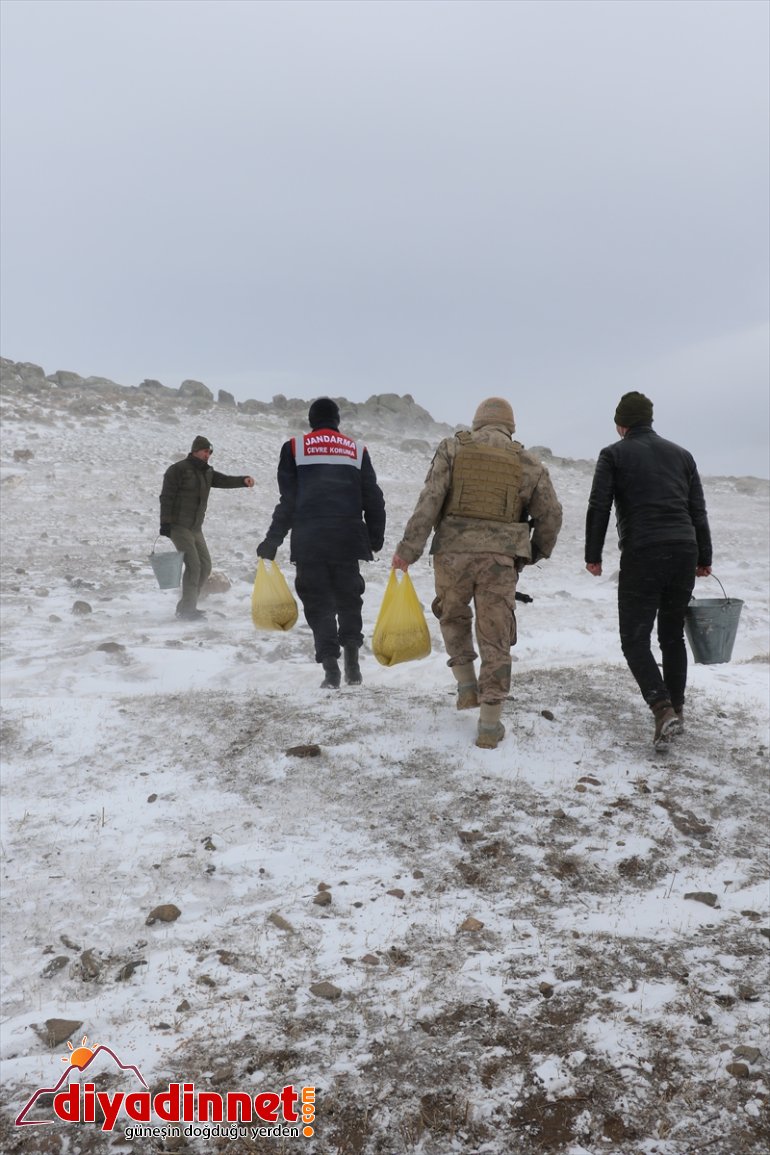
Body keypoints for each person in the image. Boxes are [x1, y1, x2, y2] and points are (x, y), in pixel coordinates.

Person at [392, 397, 562, 749]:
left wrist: (407, 552)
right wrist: (534, 552)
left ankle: (467, 686)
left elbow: (430, 501)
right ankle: (489, 726)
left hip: (452, 554)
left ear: (477, 422)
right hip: (499, 560)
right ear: (510, 425)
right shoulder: (528, 462)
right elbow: (551, 515)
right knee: (495, 634)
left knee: (453, 615)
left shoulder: (453, 448)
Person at [584, 391, 712, 747]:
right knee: (671, 635)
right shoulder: (682, 455)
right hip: (684, 550)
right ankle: (676, 710)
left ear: (621, 425)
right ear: (649, 421)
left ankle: (662, 709)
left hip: (644, 552)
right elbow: (697, 511)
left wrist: (592, 554)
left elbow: (600, 506)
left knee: (634, 639)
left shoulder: (613, 454)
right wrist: (705, 556)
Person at [257, 398, 386, 688]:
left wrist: (272, 540)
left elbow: (288, 501)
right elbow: (373, 498)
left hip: (310, 538)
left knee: (318, 603)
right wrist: (375, 537)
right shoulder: (356, 450)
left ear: (311, 420)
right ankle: (352, 662)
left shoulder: (294, 448)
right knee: (349, 599)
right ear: (337, 421)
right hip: (347, 537)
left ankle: (331, 668)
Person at [159, 435, 255, 620]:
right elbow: (166, 497)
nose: (208, 455)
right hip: (178, 526)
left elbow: (224, 480)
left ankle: (187, 605)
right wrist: (165, 523)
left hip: (195, 527)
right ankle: (187, 610)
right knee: (194, 566)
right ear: (195, 450)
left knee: (205, 566)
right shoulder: (177, 470)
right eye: (205, 451)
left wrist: (243, 481)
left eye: (210, 452)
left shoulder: (207, 472)